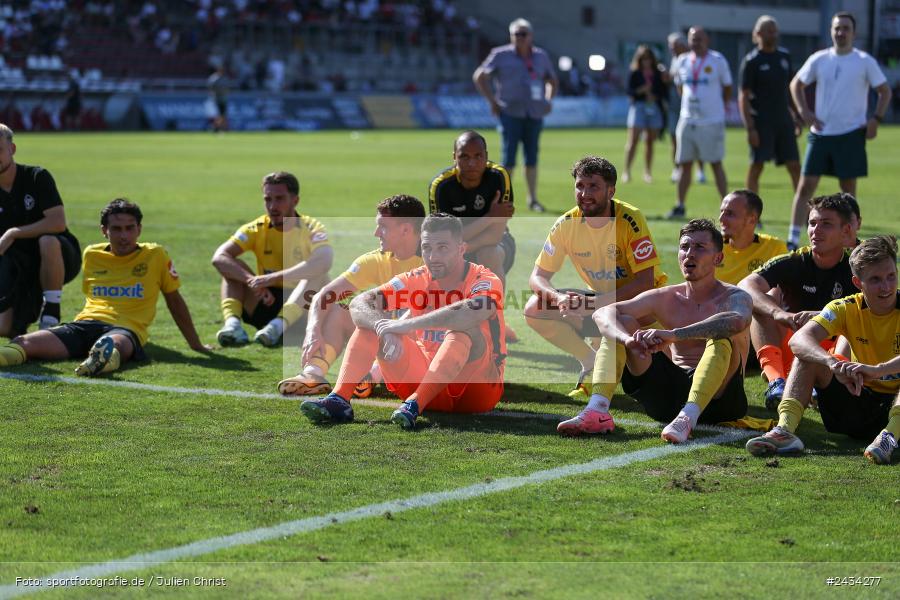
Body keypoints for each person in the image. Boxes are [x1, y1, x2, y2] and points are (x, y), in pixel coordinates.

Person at [298, 213, 506, 430]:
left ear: (461, 249)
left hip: (476, 391)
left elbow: (470, 313)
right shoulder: (417, 277)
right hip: (421, 379)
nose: (433, 256)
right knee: (370, 325)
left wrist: (405, 326)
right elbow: (360, 303)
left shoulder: (484, 279)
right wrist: (384, 329)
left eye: (443, 247)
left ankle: (416, 404)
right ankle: (339, 400)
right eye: (427, 248)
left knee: (462, 331)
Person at [557, 219, 752, 442]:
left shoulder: (735, 296)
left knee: (721, 338)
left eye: (700, 247)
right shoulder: (667, 296)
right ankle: (596, 410)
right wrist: (627, 340)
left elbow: (736, 322)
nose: (690, 253)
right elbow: (603, 313)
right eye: (684, 247)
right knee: (622, 324)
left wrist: (674, 334)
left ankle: (687, 418)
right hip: (668, 400)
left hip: (722, 402)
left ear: (718, 258)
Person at [0, 199, 210, 375]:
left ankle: (97, 362)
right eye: (116, 229)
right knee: (23, 343)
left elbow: (174, 300)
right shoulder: (92, 254)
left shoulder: (155, 255)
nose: (124, 236)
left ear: (139, 229)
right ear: (104, 230)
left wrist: (196, 345)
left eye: (130, 228)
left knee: (111, 346)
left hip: (126, 329)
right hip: (85, 324)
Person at [746, 235, 900, 465]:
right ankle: (784, 430)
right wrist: (832, 363)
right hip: (857, 400)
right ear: (858, 283)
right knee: (807, 356)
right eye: (876, 279)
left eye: (891, 276)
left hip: (895, 406)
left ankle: (890, 437)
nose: (886, 286)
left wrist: (877, 370)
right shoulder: (844, 308)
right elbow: (799, 339)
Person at [524, 156, 666, 398]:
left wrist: (595, 304)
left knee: (656, 385)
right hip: (601, 302)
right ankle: (589, 361)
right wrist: (559, 299)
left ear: (611, 191)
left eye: (593, 187)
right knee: (534, 308)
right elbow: (537, 277)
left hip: (643, 306)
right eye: (580, 186)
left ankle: (611, 358)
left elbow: (645, 282)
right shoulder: (565, 224)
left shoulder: (630, 219)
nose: (584, 193)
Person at [276, 194, 425, 397]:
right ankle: (313, 374)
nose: (376, 233)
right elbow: (325, 295)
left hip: (422, 350)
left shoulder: (434, 262)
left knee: (418, 319)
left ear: (406, 229)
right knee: (339, 311)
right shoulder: (375, 260)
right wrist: (312, 331)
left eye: (383, 227)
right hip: (388, 339)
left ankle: (369, 377)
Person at [738, 193, 857, 410]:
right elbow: (745, 286)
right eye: (812, 223)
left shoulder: (855, 268)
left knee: (858, 319)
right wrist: (779, 314)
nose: (815, 230)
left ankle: (822, 387)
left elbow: (879, 308)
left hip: (831, 359)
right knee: (763, 304)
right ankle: (776, 382)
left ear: (846, 231)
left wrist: (828, 316)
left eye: (826, 224)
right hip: (791, 348)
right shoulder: (795, 260)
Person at [786, 11, 892, 249]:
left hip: (851, 134)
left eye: (845, 28)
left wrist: (876, 118)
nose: (841, 32)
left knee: (848, 192)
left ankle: (851, 240)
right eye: (837, 28)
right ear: (831, 31)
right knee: (805, 187)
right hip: (821, 133)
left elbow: (885, 90)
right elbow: (796, 84)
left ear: (854, 33)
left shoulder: (864, 61)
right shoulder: (820, 58)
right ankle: (792, 238)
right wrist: (804, 111)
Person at [212, 171, 332, 347]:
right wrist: (252, 281)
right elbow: (219, 257)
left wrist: (272, 278)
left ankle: (278, 326)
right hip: (266, 300)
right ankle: (233, 326)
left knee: (317, 274)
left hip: (302, 309)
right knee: (232, 266)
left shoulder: (312, 227)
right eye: (268, 199)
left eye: (280, 198)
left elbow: (324, 261)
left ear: (295, 201)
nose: (272, 206)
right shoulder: (257, 227)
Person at [0, 123, 81, 336]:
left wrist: (13, 232)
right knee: (5, 329)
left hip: (59, 256)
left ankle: (51, 310)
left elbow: (57, 223)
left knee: (47, 240)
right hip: (18, 262)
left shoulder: (37, 176)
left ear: (12, 149)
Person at [473, 18, 558, 213]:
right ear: (511, 36)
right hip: (510, 112)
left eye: (523, 34)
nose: (520, 37)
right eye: (516, 34)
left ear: (531, 36)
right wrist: (492, 102)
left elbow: (552, 80)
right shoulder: (500, 55)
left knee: (532, 158)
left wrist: (548, 100)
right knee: (508, 157)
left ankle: (533, 199)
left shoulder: (541, 56)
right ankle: (502, 199)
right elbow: (479, 76)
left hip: (534, 113)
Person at [428, 130, 515, 285]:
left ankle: (495, 308)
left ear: (486, 156)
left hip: (497, 243)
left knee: (488, 254)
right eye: (464, 156)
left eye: (478, 156)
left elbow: (495, 235)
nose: (472, 163)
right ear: (454, 157)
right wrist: (490, 217)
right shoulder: (441, 186)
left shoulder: (499, 176)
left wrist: (460, 249)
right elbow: (442, 240)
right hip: (452, 251)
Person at [668, 26, 732, 219]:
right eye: (692, 39)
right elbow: (680, 86)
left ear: (707, 40)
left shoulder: (718, 60)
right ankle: (680, 205)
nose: (696, 43)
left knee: (715, 163)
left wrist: (715, 107)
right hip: (687, 119)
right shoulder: (683, 60)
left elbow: (727, 88)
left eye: (699, 39)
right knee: (683, 163)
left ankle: (727, 207)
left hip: (711, 121)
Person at [738, 15, 801, 195]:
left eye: (775, 31)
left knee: (795, 166)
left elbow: (789, 89)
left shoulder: (784, 57)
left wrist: (795, 115)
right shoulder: (752, 61)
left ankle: (805, 214)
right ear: (758, 33)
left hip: (783, 120)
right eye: (769, 31)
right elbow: (743, 96)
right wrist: (750, 128)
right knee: (757, 166)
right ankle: (751, 212)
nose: (773, 34)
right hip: (761, 122)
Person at [717, 189, 788, 285]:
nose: (721, 218)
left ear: (751, 220)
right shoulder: (712, 247)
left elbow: (782, 291)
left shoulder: (774, 248)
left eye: (729, 214)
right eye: (721, 212)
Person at [666, 33, 706, 185]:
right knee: (674, 138)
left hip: (691, 107)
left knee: (698, 139)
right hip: (675, 105)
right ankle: (677, 168)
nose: (672, 49)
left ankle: (700, 170)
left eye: (675, 46)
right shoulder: (675, 59)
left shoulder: (691, 59)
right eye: (671, 46)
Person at [623, 45, 667, 184]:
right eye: (643, 59)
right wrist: (641, 90)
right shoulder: (635, 72)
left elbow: (663, 91)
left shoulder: (657, 72)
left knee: (649, 142)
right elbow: (629, 91)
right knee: (633, 140)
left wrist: (654, 96)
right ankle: (626, 171)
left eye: (648, 58)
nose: (646, 61)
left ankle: (647, 172)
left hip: (653, 107)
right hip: (639, 107)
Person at [207, 64, 229, 133]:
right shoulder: (214, 78)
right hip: (216, 99)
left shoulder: (224, 78)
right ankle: (216, 128)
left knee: (223, 115)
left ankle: (222, 128)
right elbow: (210, 88)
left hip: (223, 99)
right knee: (217, 115)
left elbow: (227, 88)